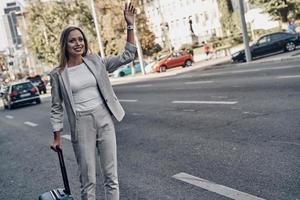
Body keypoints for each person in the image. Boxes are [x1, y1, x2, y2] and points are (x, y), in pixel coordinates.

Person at [49, 3, 136, 200]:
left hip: (104, 118)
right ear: (65, 45)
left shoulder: (95, 61)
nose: (78, 43)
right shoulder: (58, 74)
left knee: (111, 176)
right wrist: (57, 137)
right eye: (72, 41)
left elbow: (127, 56)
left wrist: (130, 26)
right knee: (87, 180)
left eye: (80, 39)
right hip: (81, 124)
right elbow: (56, 108)